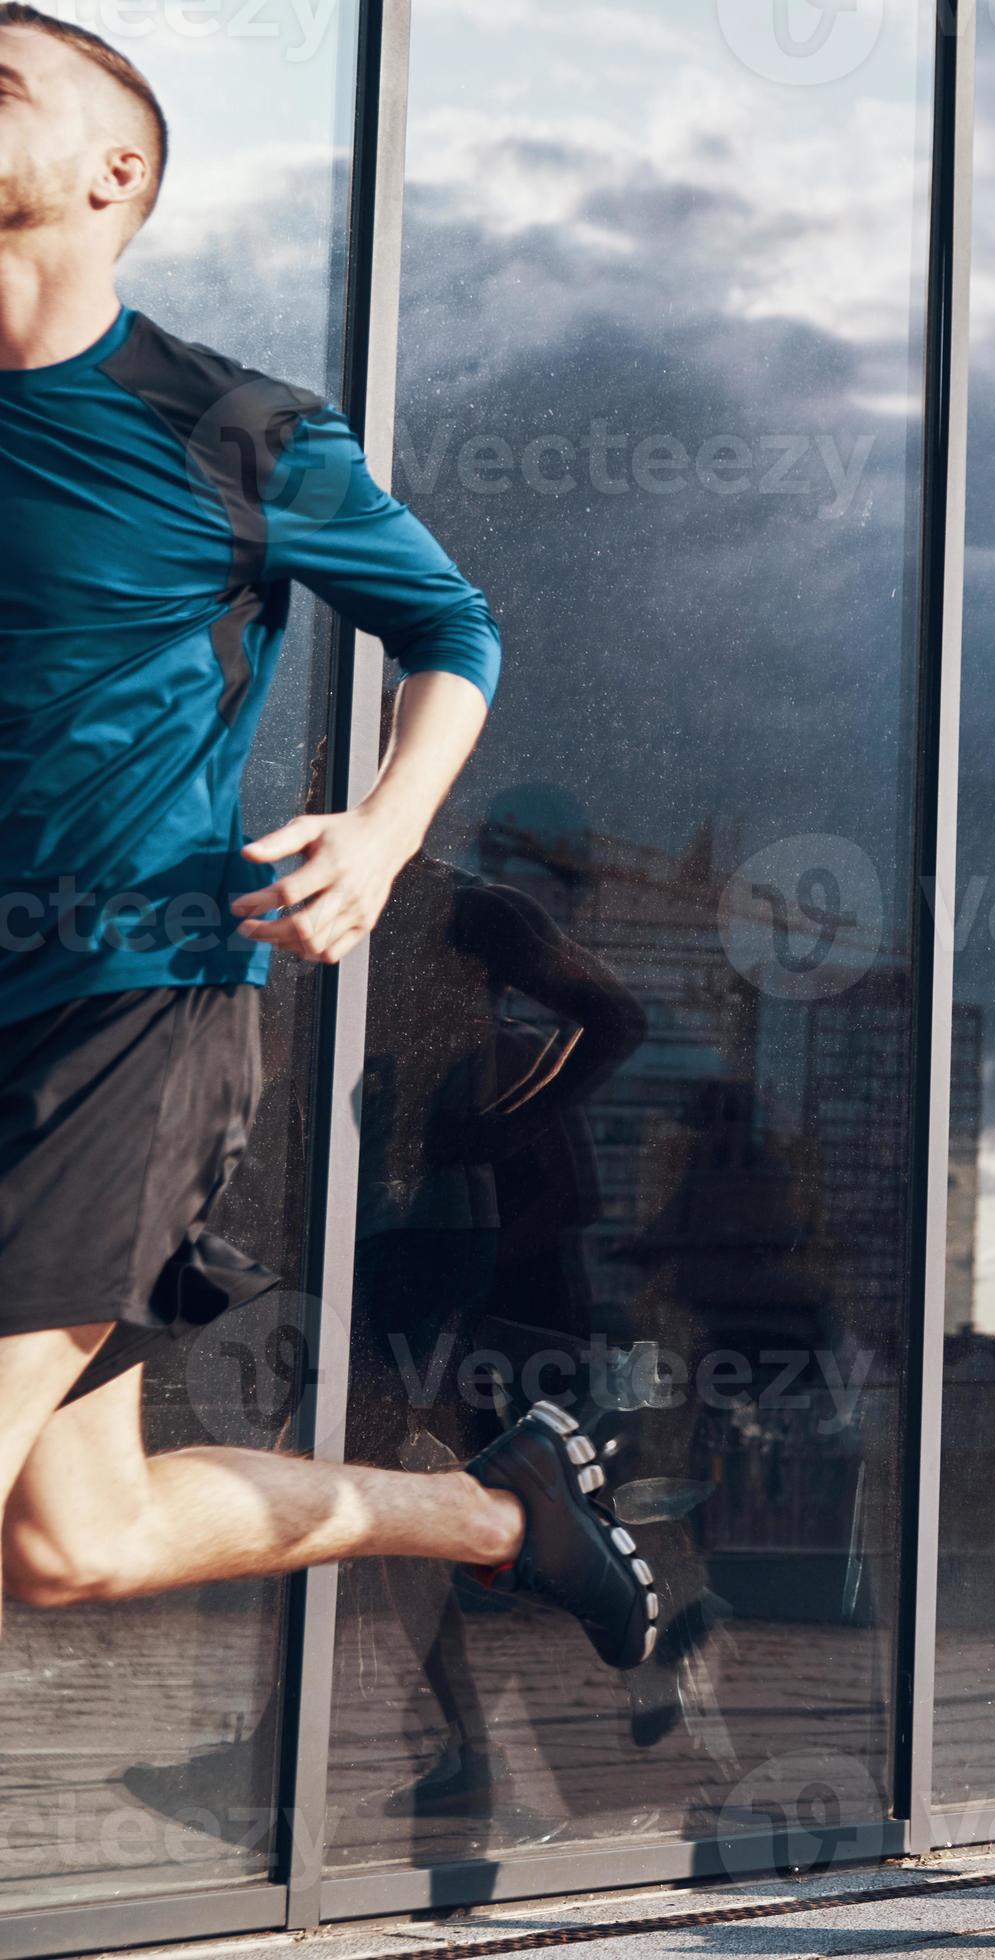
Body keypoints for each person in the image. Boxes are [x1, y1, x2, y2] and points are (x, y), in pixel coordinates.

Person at [0, 7, 655, 1670]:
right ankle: (508, 1514)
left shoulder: (229, 430)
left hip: (123, 1002)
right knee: (73, 1541)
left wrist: (378, 834)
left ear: (113, 172)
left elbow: (453, 631)